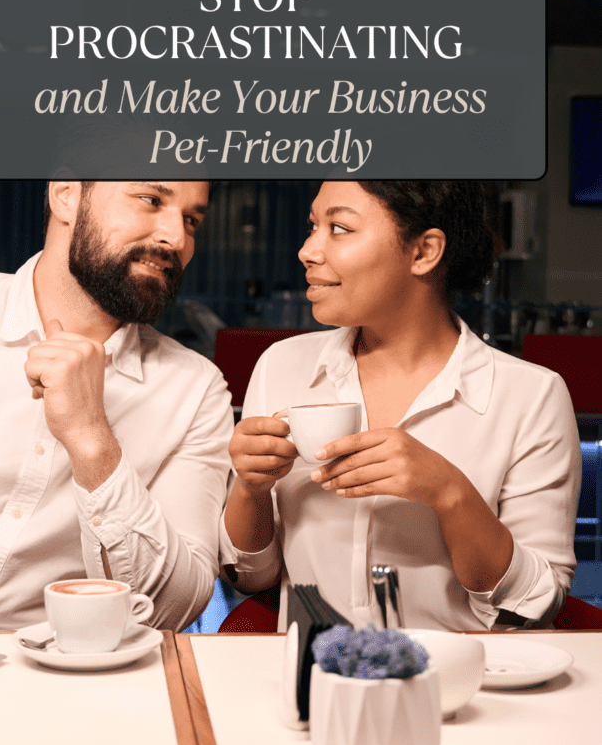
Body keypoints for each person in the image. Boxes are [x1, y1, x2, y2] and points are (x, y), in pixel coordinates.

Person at [219, 181, 581, 632]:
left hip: (472, 683)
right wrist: (250, 490)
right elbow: (252, 579)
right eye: (313, 226)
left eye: (339, 228)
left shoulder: (532, 396)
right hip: (317, 680)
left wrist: (450, 494)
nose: (308, 250)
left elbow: (537, 604)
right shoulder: (281, 367)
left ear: (424, 252)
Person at [0, 178, 233, 631]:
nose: (177, 238)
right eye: (151, 200)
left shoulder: (195, 390)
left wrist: (92, 441)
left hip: (60, 673)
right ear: (66, 194)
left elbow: (174, 608)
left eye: (191, 219)